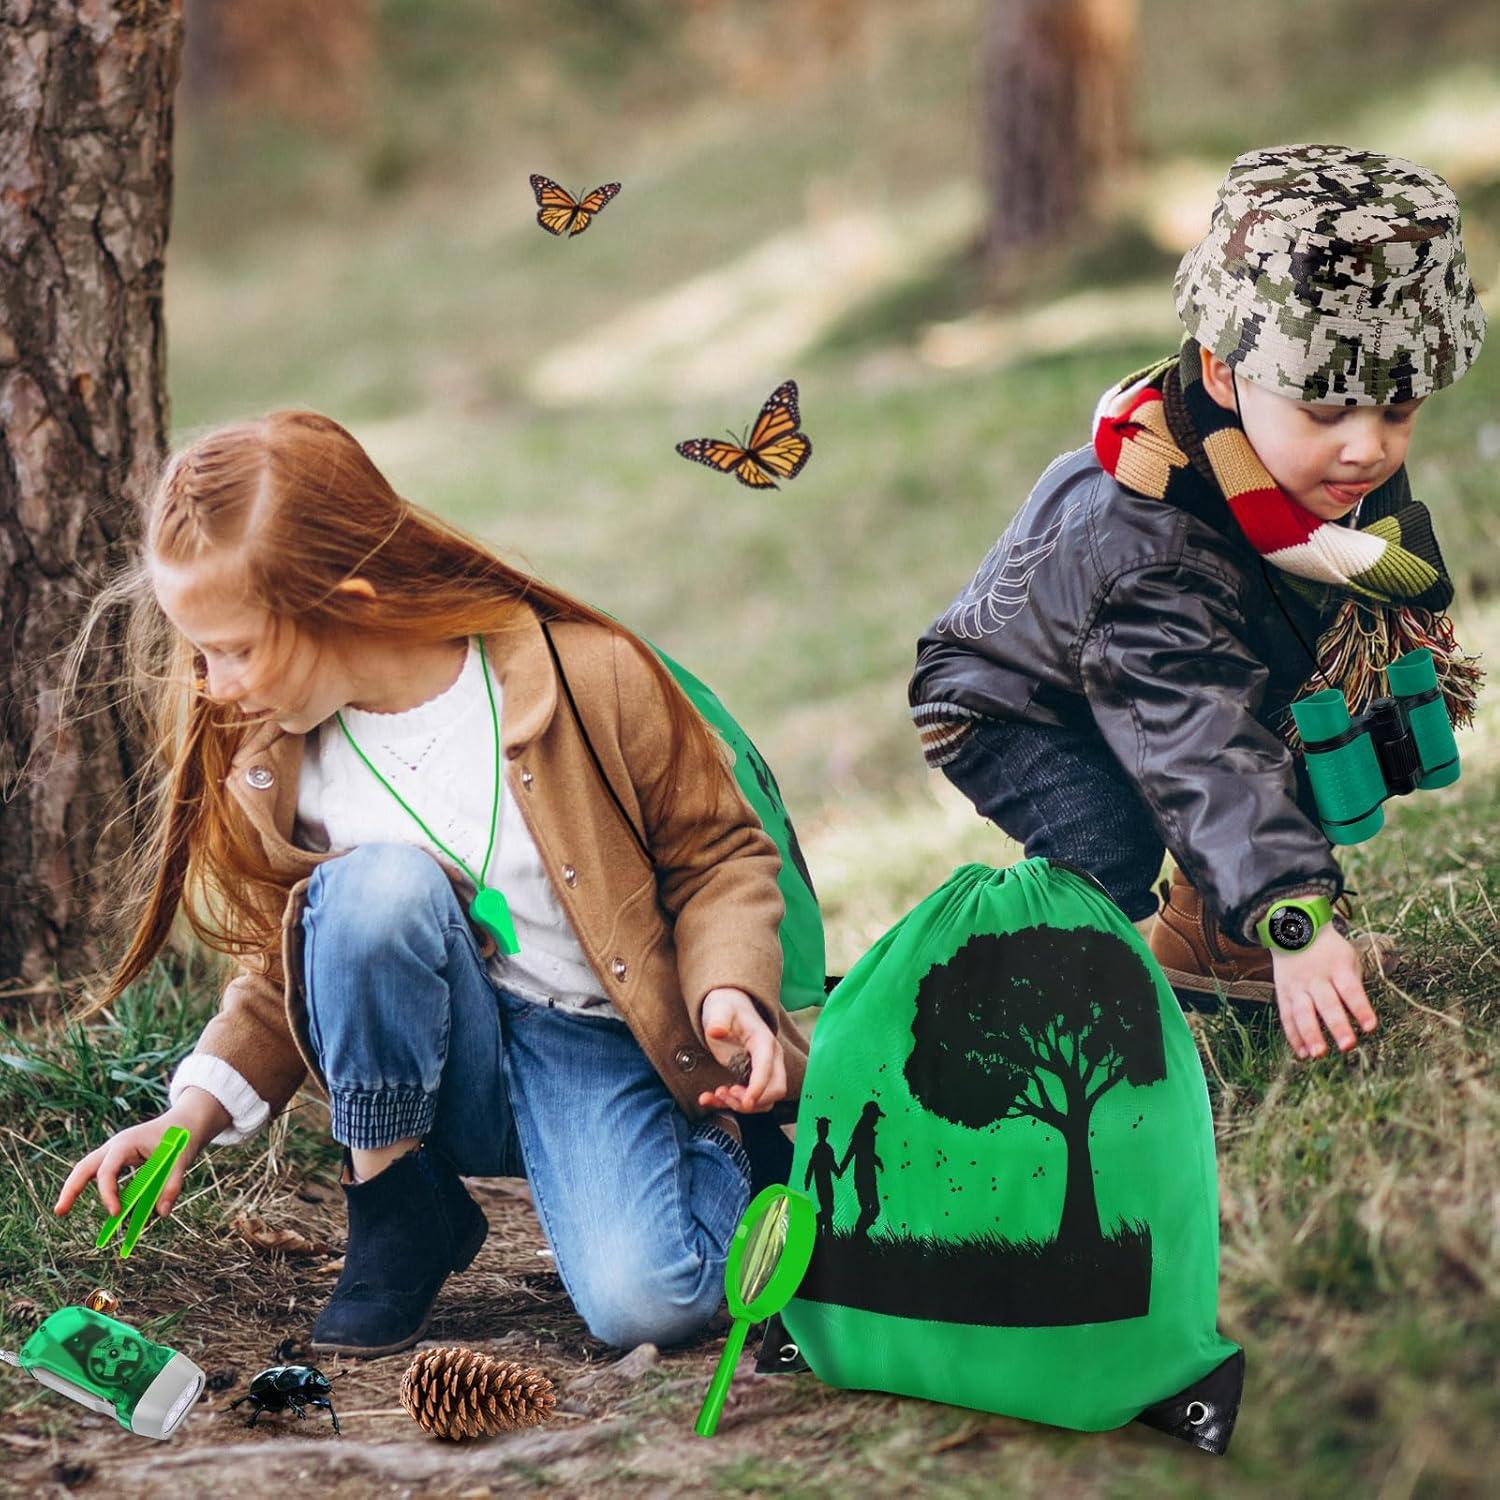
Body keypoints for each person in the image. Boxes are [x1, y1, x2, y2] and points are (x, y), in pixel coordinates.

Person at [54, 409, 811, 1358]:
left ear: (353, 600)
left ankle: (728, 1159)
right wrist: (189, 1116)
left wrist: (727, 986)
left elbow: (719, 856)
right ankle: (399, 1210)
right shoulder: (282, 758)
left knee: (645, 1308)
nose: (212, 683)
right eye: (200, 652)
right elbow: (289, 969)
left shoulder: (584, 680)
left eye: (236, 649)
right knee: (374, 892)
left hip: (598, 1045)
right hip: (435, 1072)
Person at [909, 144, 1485, 1063]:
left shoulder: (1309, 472)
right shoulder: (1156, 550)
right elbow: (1197, 749)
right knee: (1112, 851)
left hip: (1161, 679)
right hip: (1017, 703)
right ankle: (1027, 1017)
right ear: (1224, 374)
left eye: (1398, 407)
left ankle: (1217, 941)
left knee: (1300, 722)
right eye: (1326, 409)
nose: (1367, 448)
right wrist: (1294, 917)